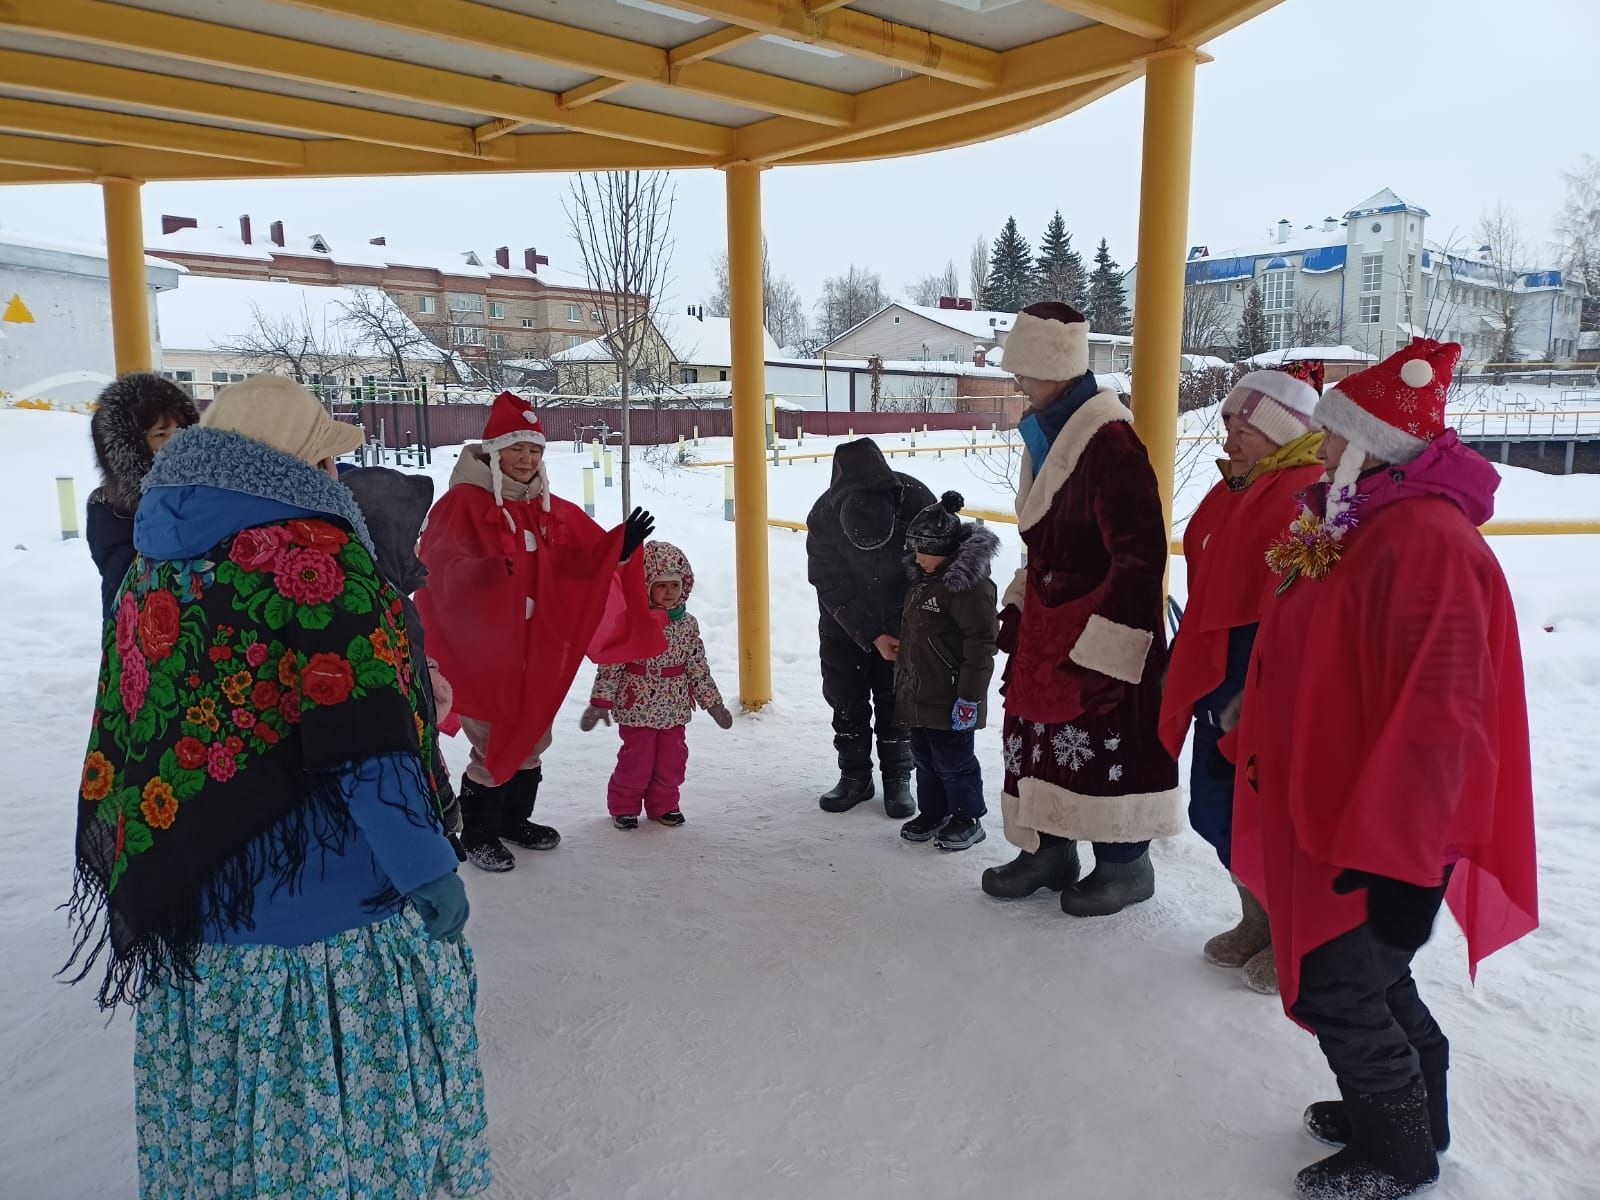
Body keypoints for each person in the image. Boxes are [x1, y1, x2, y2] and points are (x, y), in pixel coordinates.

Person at [66, 374, 491, 1199]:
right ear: (291, 463)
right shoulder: (318, 562)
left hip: (197, 899)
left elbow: (138, 724)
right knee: (332, 1096)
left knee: (237, 1101)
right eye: (326, 459)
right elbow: (364, 743)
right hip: (325, 910)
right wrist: (427, 868)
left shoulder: (154, 565)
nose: (337, 478)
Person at [1230, 340, 1538, 1200]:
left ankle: (1397, 1151)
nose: (1320, 452)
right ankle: (1408, 1114)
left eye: (1333, 439)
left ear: (1373, 445)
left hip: (1382, 829)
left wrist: (1401, 856)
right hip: (1339, 807)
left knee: (1342, 985)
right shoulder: (1361, 518)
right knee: (1368, 976)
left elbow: (1443, 719)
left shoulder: (1424, 541)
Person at [981, 301, 1182, 916]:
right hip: (1050, 626)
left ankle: (1126, 867)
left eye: (1025, 372)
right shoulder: (1047, 432)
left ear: (1055, 369)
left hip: (1097, 629)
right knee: (1040, 743)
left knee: (1104, 746)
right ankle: (1049, 849)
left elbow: (1141, 557)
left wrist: (1110, 655)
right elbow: (1040, 541)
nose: (1017, 384)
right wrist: (1020, 604)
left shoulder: (1111, 444)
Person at [417, 391, 663, 872]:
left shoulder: (546, 508)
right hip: (484, 654)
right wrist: (494, 578)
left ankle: (514, 819)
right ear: (494, 451)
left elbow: (576, 562)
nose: (527, 460)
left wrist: (617, 549)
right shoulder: (461, 506)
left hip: (537, 648)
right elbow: (437, 570)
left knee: (533, 735)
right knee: (492, 738)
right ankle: (480, 831)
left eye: (535, 450)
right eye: (518, 449)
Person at [1157, 364, 1325, 992]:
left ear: (1279, 429)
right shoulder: (1241, 484)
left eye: (1239, 423)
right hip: (1221, 668)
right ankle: (1257, 918)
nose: (1225, 433)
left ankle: (1295, 937)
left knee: (1266, 810)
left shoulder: (1309, 491)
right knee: (1217, 804)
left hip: (1266, 670)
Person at [806, 438, 936, 818]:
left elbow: (935, 572)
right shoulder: (823, 515)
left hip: (905, 623)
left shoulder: (917, 502)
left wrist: (903, 629)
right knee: (846, 699)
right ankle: (855, 778)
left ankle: (898, 780)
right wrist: (871, 633)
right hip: (844, 625)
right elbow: (828, 581)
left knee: (897, 700)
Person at [344, 466, 464, 857]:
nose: (418, 550)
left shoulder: (379, 589)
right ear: (384, 535)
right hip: (401, 770)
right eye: (413, 537)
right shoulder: (381, 601)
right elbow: (404, 708)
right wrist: (441, 798)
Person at [580, 540, 733, 829]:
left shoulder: (688, 625)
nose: (668, 592)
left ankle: (664, 805)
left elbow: (697, 667)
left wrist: (714, 703)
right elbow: (613, 663)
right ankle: (624, 806)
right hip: (637, 703)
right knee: (637, 759)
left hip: (674, 706)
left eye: (674, 585)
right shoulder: (634, 620)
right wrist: (601, 701)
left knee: (672, 759)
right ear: (647, 585)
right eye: (661, 585)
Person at [893, 491, 1000, 853]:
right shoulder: (925, 578)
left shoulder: (968, 588)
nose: (917, 557)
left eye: (924, 550)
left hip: (952, 694)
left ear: (946, 549)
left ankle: (967, 818)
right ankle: (933, 810)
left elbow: (982, 644)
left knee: (954, 760)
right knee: (923, 756)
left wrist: (969, 696)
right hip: (920, 691)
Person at [86, 373, 198, 619]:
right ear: (131, 444)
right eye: (160, 434)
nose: (176, 442)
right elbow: (126, 574)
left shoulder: (200, 492)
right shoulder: (108, 506)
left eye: (181, 431)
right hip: (135, 628)